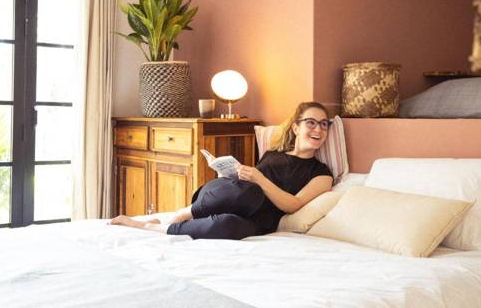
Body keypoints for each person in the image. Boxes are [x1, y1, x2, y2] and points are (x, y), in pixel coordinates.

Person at [110, 101, 334, 240]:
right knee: (247, 192)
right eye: (311, 122)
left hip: (261, 218)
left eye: (324, 124)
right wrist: (231, 174)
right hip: (237, 194)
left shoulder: (322, 174)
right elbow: (246, 185)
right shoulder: (273, 154)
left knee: (228, 225)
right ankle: (180, 215)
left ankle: (153, 227)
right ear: (296, 127)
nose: (319, 129)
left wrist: (259, 179)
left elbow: (293, 205)